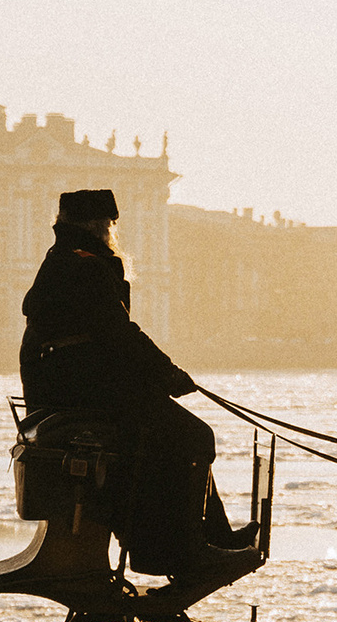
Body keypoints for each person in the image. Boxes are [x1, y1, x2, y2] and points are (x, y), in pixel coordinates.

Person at [19, 188, 255, 584]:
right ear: (98, 226)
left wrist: (159, 376)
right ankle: (185, 551)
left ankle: (211, 536)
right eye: (110, 225)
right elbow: (118, 334)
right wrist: (169, 374)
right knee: (193, 436)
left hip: (74, 386)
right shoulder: (88, 265)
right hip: (87, 392)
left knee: (182, 436)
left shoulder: (60, 261)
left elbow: (106, 339)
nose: (112, 232)